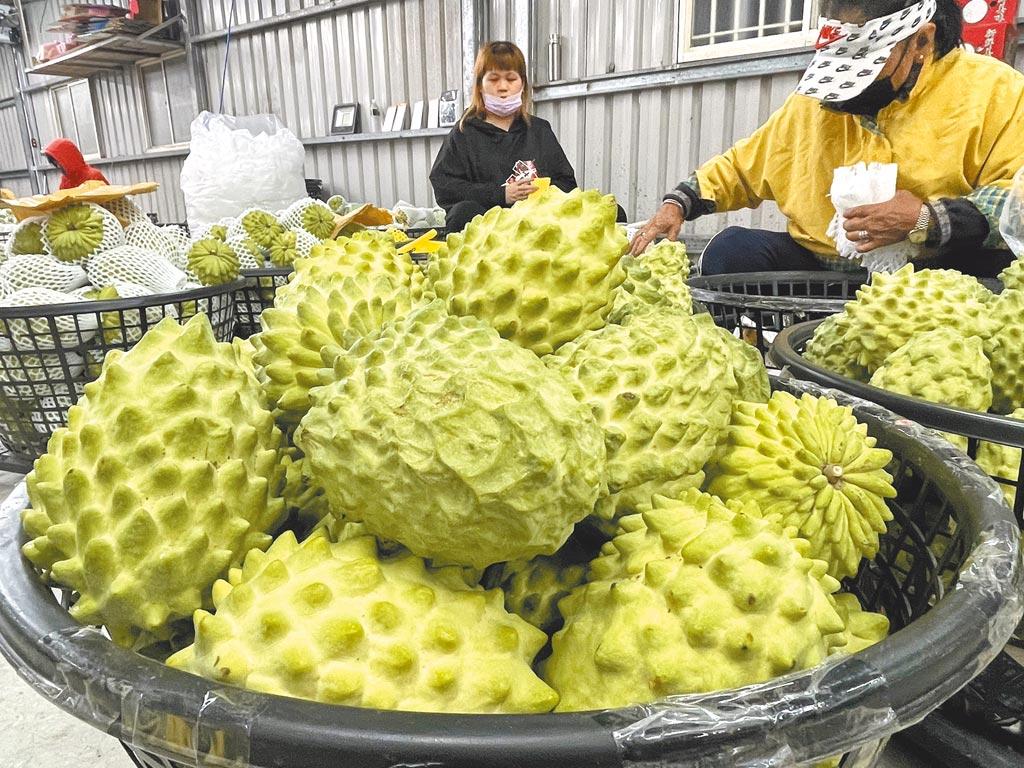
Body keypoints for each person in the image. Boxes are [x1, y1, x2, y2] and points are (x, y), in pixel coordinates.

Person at [631, 0, 1024, 278]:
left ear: (921, 41)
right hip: (821, 267)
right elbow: (744, 165)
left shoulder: (992, 90)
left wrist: (927, 219)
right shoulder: (817, 102)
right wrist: (677, 204)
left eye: (866, 67)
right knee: (731, 250)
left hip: (930, 278)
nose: (851, 88)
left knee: (996, 269)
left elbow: (1018, 204)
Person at [430, 41, 580, 232]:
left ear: (523, 84)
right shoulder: (464, 134)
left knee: (614, 212)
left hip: (536, 225)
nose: (502, 87)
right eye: (493, 79)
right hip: (489, 231)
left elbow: (567, 183)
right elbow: (445, 185)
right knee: (463, 213)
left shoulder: (539, 130)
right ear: (479, 86)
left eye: (510, 79)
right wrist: (500, 195)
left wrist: (539, 193)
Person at [43, 138, 108, 190]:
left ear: (68, 159)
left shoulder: (94, 176)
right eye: (55, 164)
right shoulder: (65, 182)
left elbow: (111, 200)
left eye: (59, 163)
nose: (58, 166)